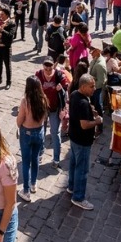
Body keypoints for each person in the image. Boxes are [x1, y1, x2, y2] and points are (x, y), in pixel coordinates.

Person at [68, 74, 103, 210]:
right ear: (83, 87)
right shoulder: (82, 102)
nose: (94, 88)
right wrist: (97, 121)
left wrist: (90, 110)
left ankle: (71, 187)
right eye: (92, 86)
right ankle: (78, 197)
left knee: (73, 164)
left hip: (74, 137)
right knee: (82, 170)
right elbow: (84, 125)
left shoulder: (75, 94)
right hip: (82, 140)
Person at [16, 76, 48, 203]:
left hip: (27, 133)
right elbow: (45, 118)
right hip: (39, 132)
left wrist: (19, 126)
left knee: (25, 162)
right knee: (35, 159)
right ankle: (34, 184)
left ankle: (26, 190)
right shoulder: (43, 99)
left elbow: (20, 120)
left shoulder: (25, 101)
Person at [35, 58, 70, 169]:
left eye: (50, 67)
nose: (48, 70)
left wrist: (61, 89)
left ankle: (56, 158)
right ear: (43, 66)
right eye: (46, 67)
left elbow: (66, 89)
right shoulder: (38, 74)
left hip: (55, 109)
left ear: (53, 67)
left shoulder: (59, 75)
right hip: (42, 108)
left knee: (55, 133)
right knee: (41, 132)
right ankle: (40, 153)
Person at [0, 7, 17, 90]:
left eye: (2, 14)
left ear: (6, 15)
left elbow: (10, 35)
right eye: (0, 14)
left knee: (7, 66)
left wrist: (3, 30)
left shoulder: (11, 23)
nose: (0, 16)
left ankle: (8, 82)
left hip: (6, 48)